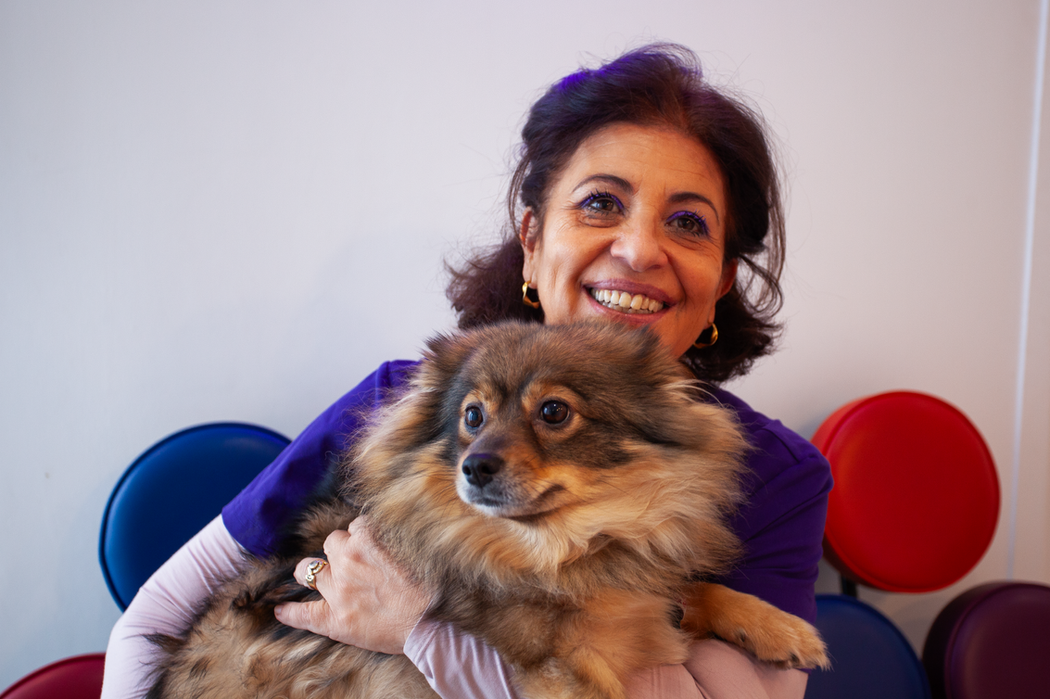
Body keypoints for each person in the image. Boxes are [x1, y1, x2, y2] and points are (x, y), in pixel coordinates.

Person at [102, 43, 831, 699]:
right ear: (533, 239)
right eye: (600, 204)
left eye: (688, 222)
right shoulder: (404, 402)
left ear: (723, 277)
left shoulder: (779, 475)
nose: (639, 250)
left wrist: (418, 633)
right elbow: (152, 624)